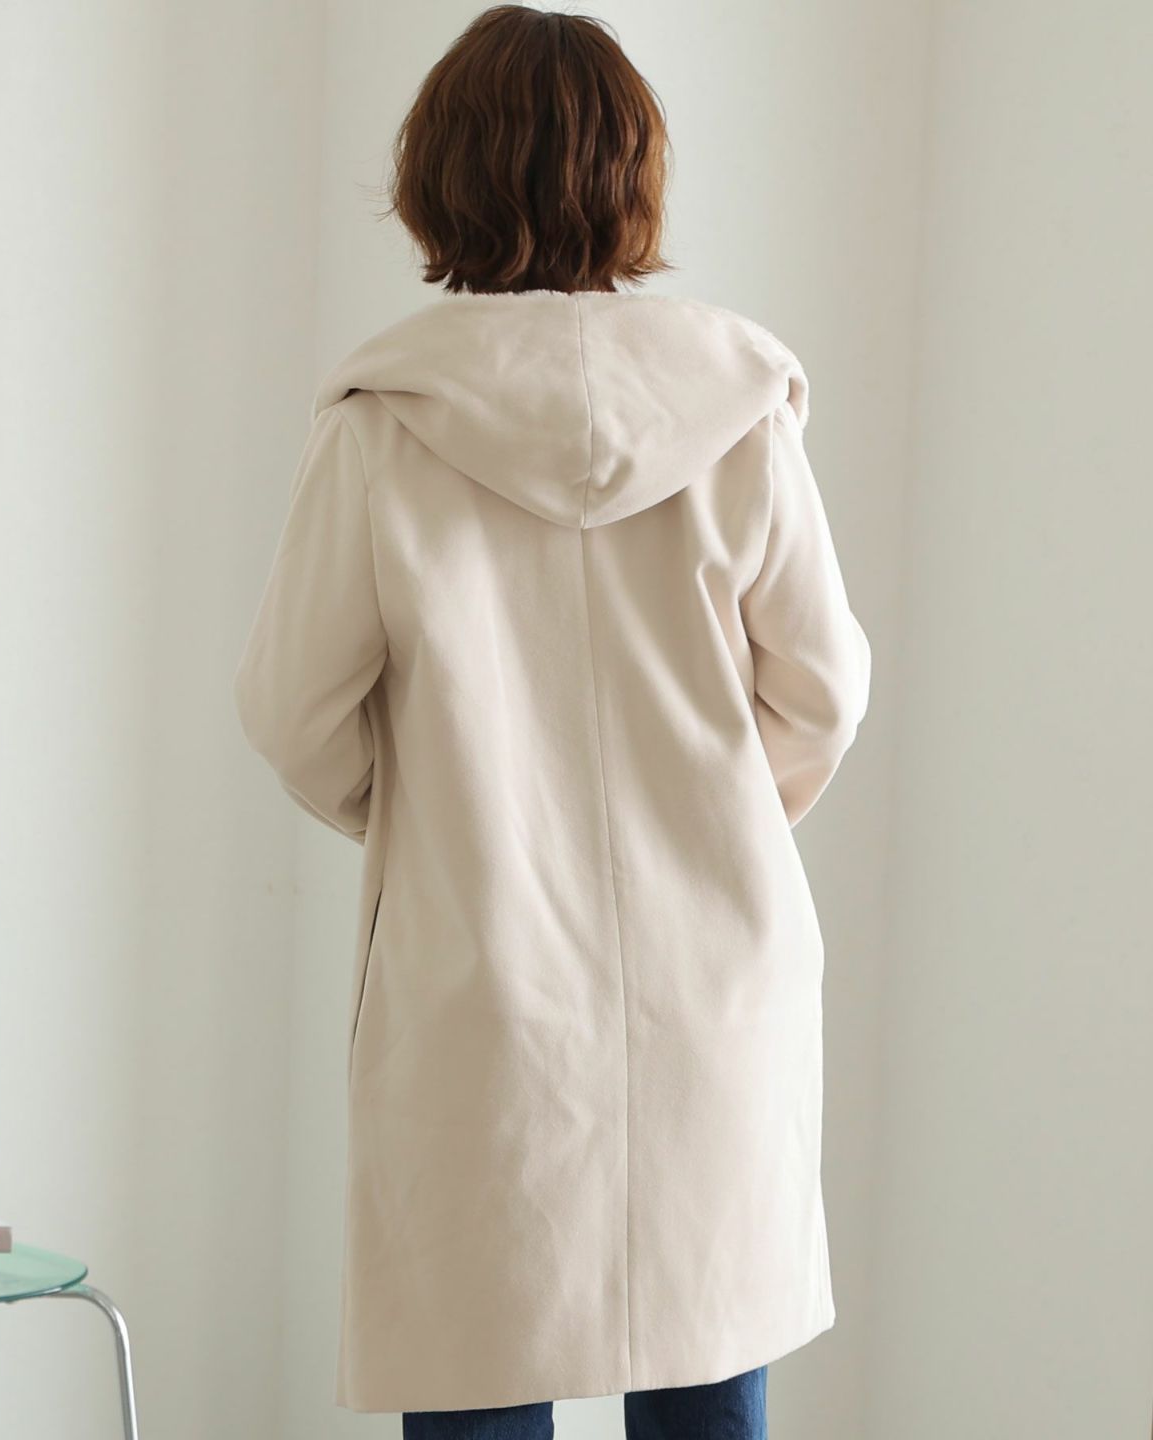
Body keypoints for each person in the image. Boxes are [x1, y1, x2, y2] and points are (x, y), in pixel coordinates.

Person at [233, 5, 872, 1436]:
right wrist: (714, 811)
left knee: (476, 1382)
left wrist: (434, 816)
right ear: (632, 173)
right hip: (716, 987)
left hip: (483, 990)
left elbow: (291, 709)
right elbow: (824, 689)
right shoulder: (742, 410)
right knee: (710, 1380)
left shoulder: (387, 421)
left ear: (439, 174)